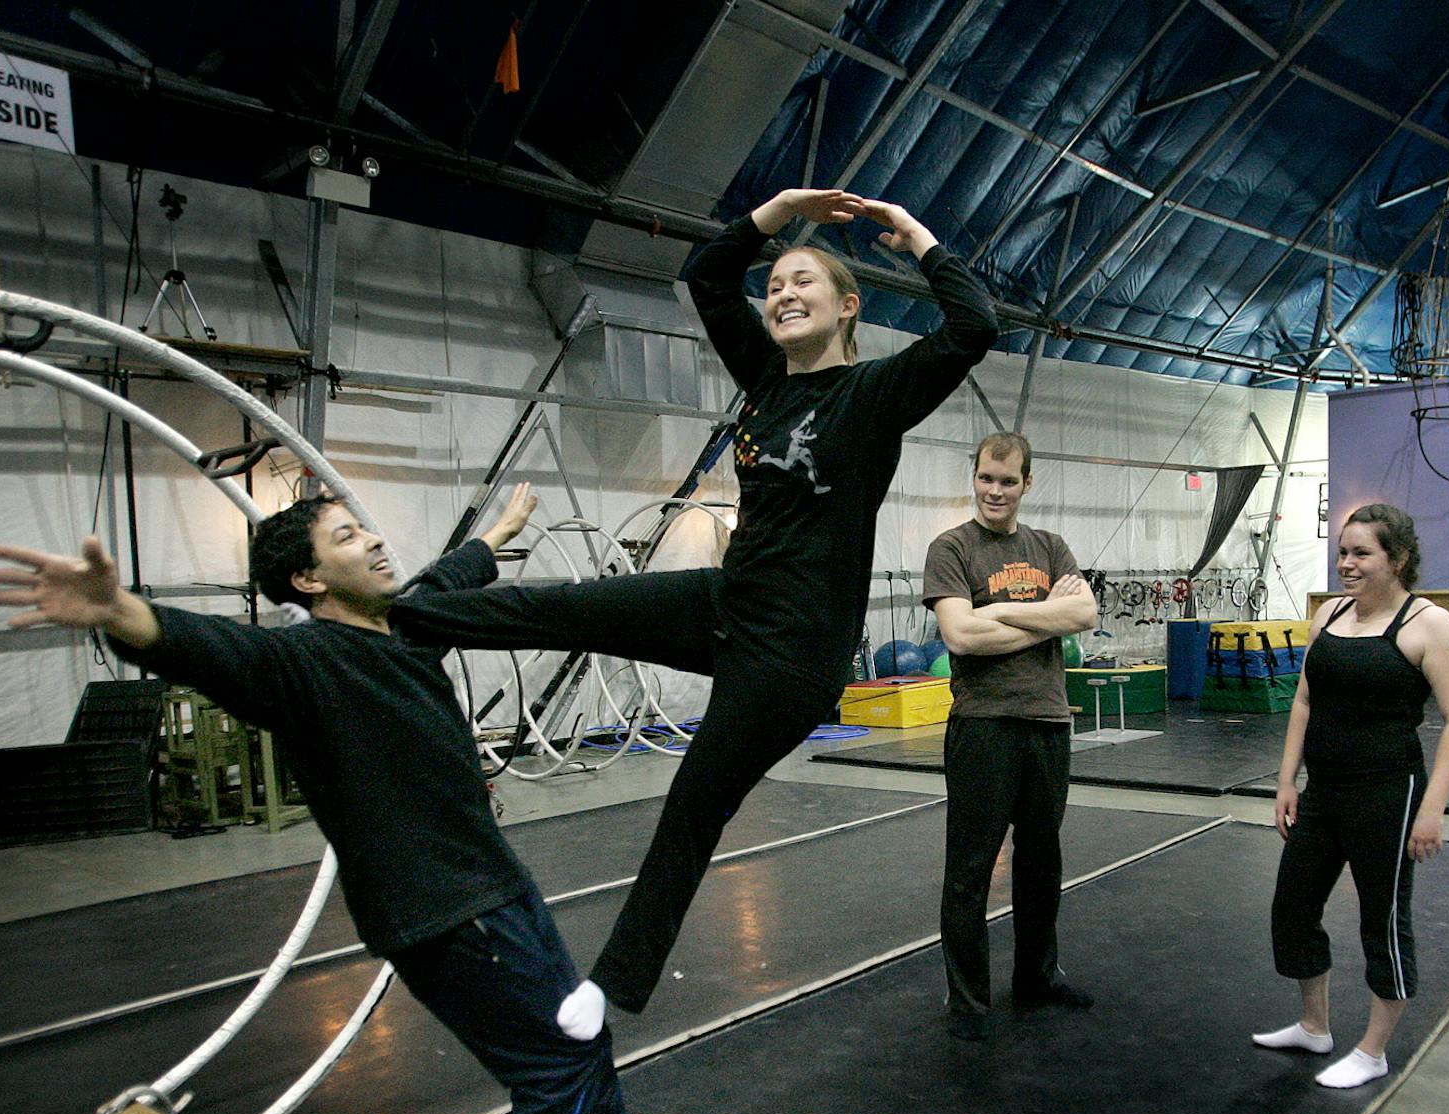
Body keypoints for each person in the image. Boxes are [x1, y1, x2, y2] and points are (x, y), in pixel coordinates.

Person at [0, 485, 703, 1114]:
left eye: (367, 529)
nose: (375, 543)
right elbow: (205, 646)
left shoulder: (412, 621)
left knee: (583, 1040)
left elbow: (449, 573)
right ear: (310, 581)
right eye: (348, 538)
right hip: (439, 911)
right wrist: (119, 612)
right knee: (550, 1067)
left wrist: (499, 533)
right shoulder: (300, 666)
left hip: (497, 885)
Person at [390, 187, 998, 1025]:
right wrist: (780, 208)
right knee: (570, 607)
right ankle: (402, 619)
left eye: (802, 284)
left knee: (691, 808)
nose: (781, 294)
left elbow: (975, 327)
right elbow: (710, 279)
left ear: (848, 305)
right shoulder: (763, 380)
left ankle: (610, 986)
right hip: (726, 601)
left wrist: (919, 239)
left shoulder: (876, 395)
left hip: (792, 655)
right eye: (776, 284)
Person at [1252, 504, 1449, 1088]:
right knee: (1293, 904)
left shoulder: (1429, 625)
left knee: (1382, 919)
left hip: (1389, 792)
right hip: (1324, 791)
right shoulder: (1330, 615)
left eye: (1361, 554)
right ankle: (1314, 1025)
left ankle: (1373, 1051)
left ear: (1397, 559)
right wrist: (1285, 780)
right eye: (1343, 552)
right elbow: (1304, 701)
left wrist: (1432, 811)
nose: (1346, 564)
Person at [922, 431, 1099, 1040]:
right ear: (974, 478)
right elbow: (961, 638)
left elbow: (1082, 614)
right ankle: (969, 1002)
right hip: (983, 726)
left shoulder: (1051, 545)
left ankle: (1037, 978)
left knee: (1042, 861)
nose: (996, 491)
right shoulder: (951, 548)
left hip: (1048, 723)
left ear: (1028, 483)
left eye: (1008, 480)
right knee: (970, 868)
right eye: (986, 479)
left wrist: (994, 612)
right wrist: (1040, 618)